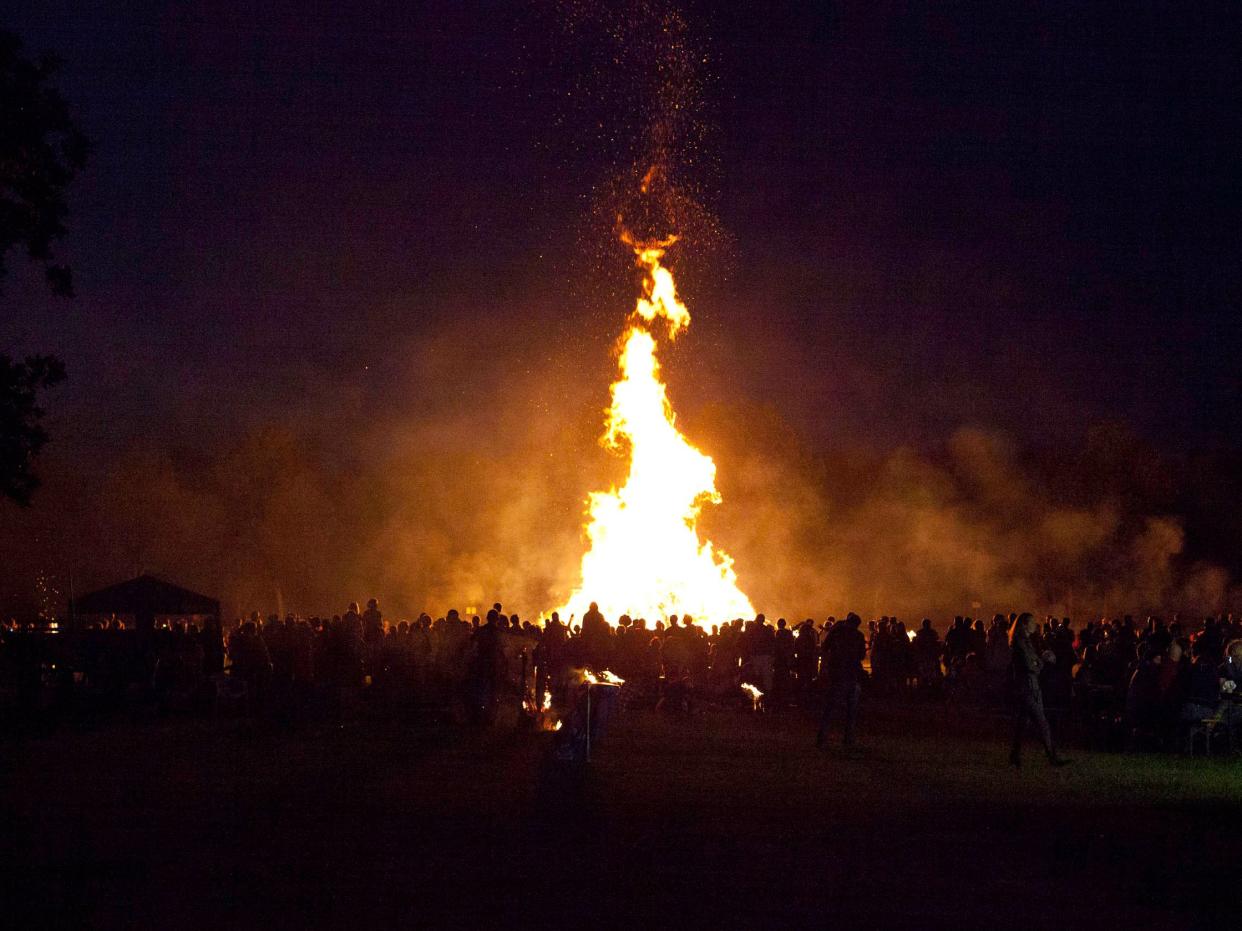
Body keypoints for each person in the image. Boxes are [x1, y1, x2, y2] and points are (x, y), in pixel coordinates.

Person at [1009, 612, 1070, 768]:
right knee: (1042, 723)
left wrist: (1038, 662)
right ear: (1024, 624)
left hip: (1030, 686)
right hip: (1027, 686)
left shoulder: (1025, 641)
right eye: (1032, 622)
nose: (1035, 624)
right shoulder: (1020, 642)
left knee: (1022, 723)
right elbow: (1031, 666)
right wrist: (1041, 662)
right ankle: (1053, 757)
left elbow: (1034, 663)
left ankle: (1014, 756)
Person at [816, 612, 866, 749]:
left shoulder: (837, 632)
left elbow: (825, 647)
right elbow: (862, 655)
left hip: (836, 673)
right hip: (851, 674)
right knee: (851, 708)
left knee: (830, 705)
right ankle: (848, 738)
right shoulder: (858, 635)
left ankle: (822, 736)